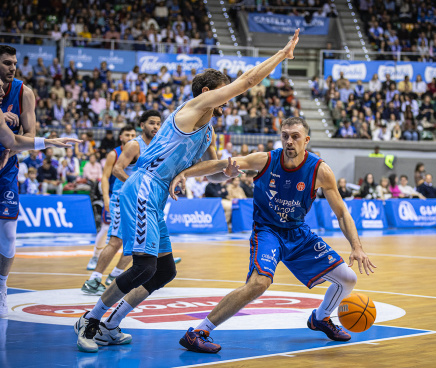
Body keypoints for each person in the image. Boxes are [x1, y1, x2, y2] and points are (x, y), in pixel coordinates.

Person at [74, 30, 301, 353]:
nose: (228, 98)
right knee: (142, 266)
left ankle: (111, 324)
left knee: (164, 270)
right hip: (142, 186)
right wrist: (282, 55)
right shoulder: (193, 107)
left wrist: (228, 167)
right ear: (209, 92)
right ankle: (90, 319)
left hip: (158, 193)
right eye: (224, 93)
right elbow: (248, 81)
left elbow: (206, 170)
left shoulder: (206, 132)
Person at [169, 117, 375, 353]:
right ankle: (199, 332)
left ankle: (321, 318)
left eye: (295, 136)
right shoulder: (266, 160)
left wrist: (356, 246)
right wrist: (187, 173)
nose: (289, 141)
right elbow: (218, 166)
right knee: (259, 283)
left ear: (306, 140)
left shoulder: (320, 170)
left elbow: (342, 213)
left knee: (348, 279)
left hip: (298, 233)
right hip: (267, 230)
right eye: (285, 135)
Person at [0, 45, 79, 318]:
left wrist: (9, 147)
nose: (12, 68)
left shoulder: (24, 93)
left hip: (6, 168)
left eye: (14, 63)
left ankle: (2, 287)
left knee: (9, 236)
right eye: (7, 63)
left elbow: (24, 138)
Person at [81, 125, 137, 286]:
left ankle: (159, 257)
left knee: (131, 238)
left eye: (133, 134)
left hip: (131, 199)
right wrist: (106, 198)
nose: (130, 137)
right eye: (127, 134)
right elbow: (104, 178)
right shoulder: (114, 153)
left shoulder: (139, 150)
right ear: (121, 137)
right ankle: (95, 260)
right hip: (115, 197)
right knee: (109, 232)